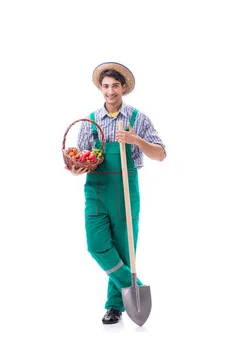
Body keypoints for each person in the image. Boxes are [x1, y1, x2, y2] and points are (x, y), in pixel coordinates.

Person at [67, 62, 166, 324]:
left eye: (115, 86)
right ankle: (132, 285)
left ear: (123, 88)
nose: (110, 91)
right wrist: (77, 169)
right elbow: (82, 157)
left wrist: (136, 140)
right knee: (97, 245)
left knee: (124, 249)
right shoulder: (90, 122)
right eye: (106, 86)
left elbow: (161, 154)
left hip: (125, 189)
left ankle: (114, 306)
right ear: (101, 88)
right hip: (96, 190)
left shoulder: (137, 119)